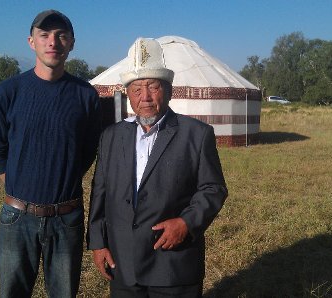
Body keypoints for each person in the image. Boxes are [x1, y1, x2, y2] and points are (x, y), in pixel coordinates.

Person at [87, 37, 228, 298]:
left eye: (153, 87)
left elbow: (213, 188)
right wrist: (97, 242)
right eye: (137, 89)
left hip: (173, 265)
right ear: (127, 94)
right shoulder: (111, 136)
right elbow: (100, 192)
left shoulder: (196, 135)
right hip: (124, 264)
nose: (146, 97)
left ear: (169, 90)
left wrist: (186, 223)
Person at [0, 9, 102, 298]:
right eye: (45, 35)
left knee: (63, 293)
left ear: (72, 43)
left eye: (61, 35)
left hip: (67, 217)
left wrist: (64, 177)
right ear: (31, 41)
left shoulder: (85, 95)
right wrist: (15, 183)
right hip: (17, 215)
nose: (53, 42)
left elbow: (89, 148)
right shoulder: (8, 91)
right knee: (12, 291)